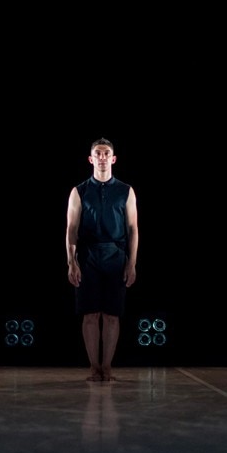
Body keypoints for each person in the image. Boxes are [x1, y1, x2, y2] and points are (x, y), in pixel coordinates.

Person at [66, 137, 139, 382]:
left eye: (106, 153)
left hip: (116, 255)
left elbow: (133, 229)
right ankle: (94, 367)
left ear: (113, 158)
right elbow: (71, 229)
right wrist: (71, 261)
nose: (102, 157)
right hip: (88, 256)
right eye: (98, 153)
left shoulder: (126, 191)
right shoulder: (79, 191)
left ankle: (107, 367)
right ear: (91, 159)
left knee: (111, 315)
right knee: (90, 315)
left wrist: (132, 263)